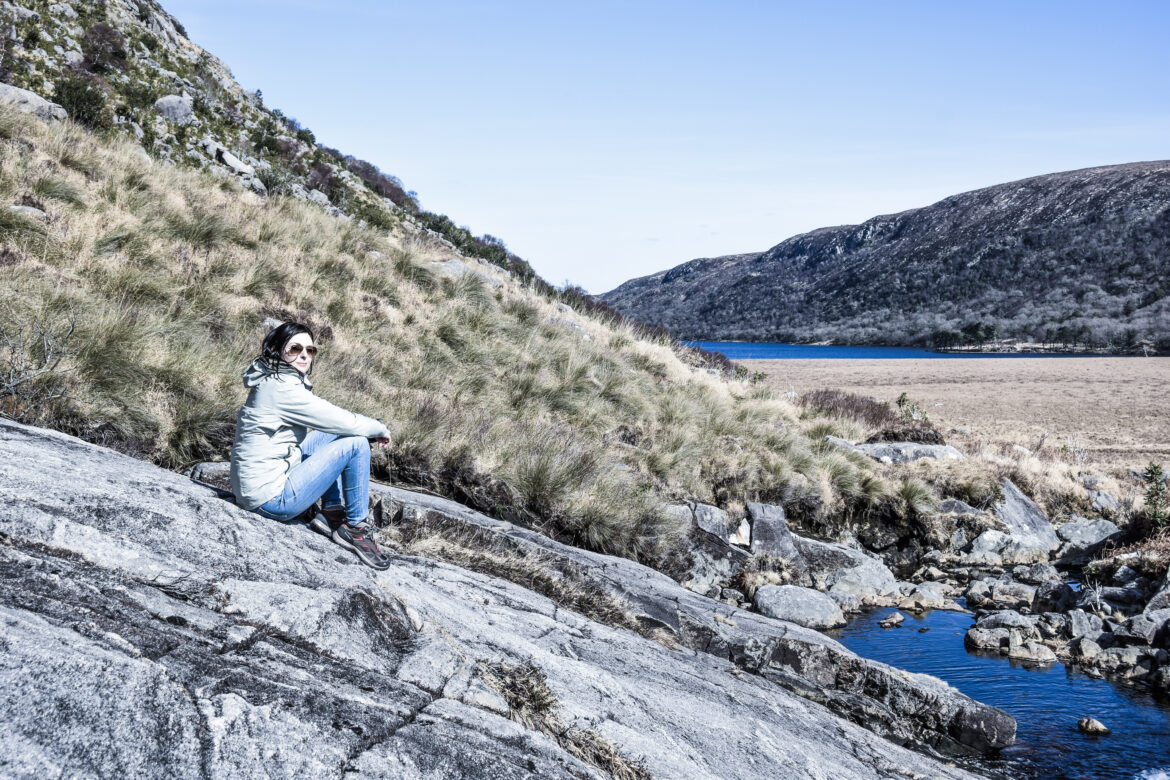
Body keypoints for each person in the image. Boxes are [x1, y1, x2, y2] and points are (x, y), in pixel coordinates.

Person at [229, 322, 392, 569]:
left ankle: (332, 512)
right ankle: (356, 528)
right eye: (295, 348)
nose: (304, 354)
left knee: (327, 435)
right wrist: (378, 428)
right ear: (276, 349)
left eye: (310, 349)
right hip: (270, 500)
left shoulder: (274, 379)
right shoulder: (283, 390)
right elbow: (342, 420)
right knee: (357, 443)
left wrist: (372, 425)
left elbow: (335, 423)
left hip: (261, 485)